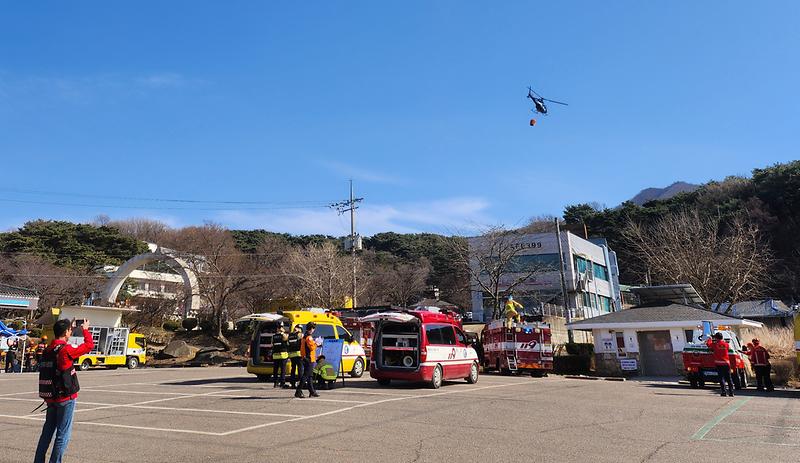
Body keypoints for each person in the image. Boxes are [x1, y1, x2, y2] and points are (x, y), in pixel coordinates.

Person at [35, 318, 94, 463]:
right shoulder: (66, 350)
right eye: (70, 330)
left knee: (47, 433)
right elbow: (88, 346)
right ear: (66, 332)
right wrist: (85, 329)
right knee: (62, 434)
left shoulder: (49, 349)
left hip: (51, 397)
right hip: (65, 398)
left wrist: (70, 326)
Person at [295, 322, 319, 399]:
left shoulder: (304, 337)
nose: (314, 330)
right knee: (306, 376)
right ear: (311, 329)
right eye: (313, 328)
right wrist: (317, 344)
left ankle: (312, 392)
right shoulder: (309, 337)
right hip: (309, 358)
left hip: (305, 357)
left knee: (309, 376)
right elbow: (312, 347)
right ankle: (298, 391)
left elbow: (302, 348)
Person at [706, 332, 734, 397]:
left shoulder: (715, 344)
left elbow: (708, 345)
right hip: (726, 363)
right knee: (729, 378)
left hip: (719, 364)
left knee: (721, 378)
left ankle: (724, 392)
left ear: (716, 338)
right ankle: (731, 392)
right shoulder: (726, 344)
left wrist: (709, 339)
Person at [271, 324, 289, 388]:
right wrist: (283, 332)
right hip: (283, 355)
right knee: (282, 370)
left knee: (275, 370)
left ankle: (275, 383)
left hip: (275, 355)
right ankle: (282, 383)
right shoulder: (283, 335)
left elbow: (271, 344)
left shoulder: (273, 336)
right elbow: (287, 338)